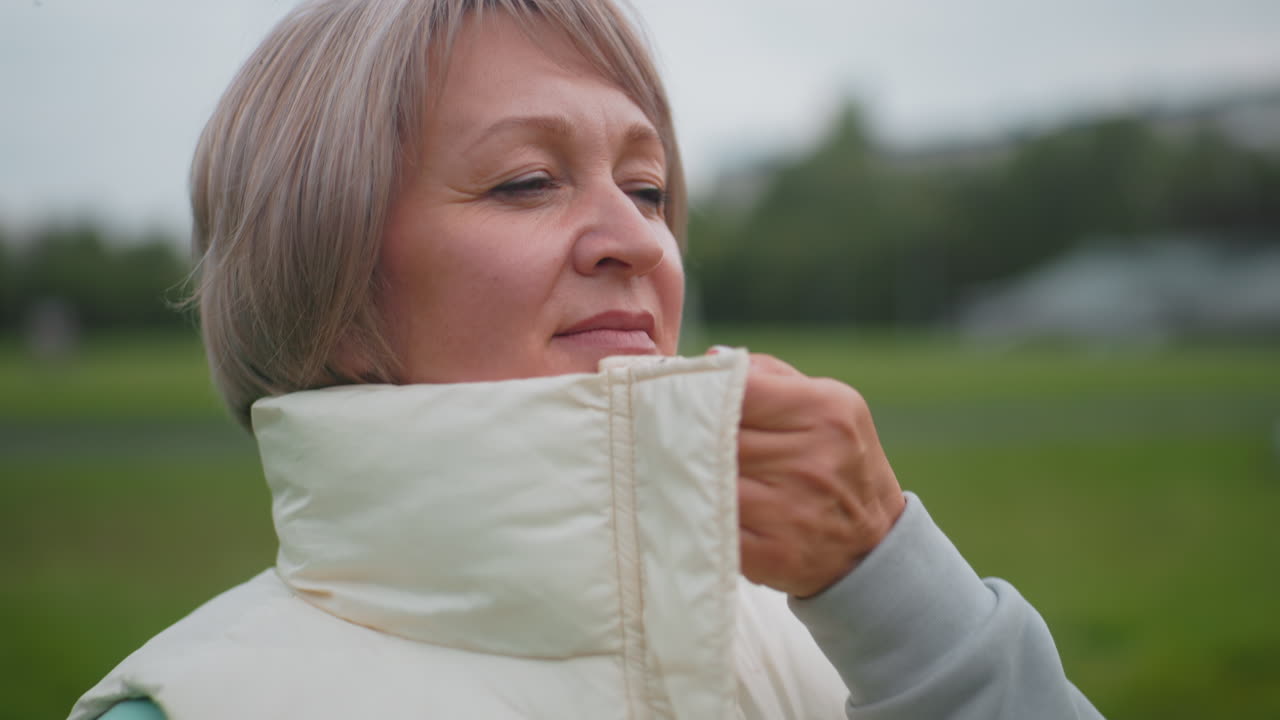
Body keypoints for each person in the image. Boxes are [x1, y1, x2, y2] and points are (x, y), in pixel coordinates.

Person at [70, 0, 1104, 718]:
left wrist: (897, 591)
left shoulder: (832, 642)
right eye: (527, 181)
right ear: (328, 286)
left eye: (648, 189)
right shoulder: (196, 708)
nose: (637, 239)